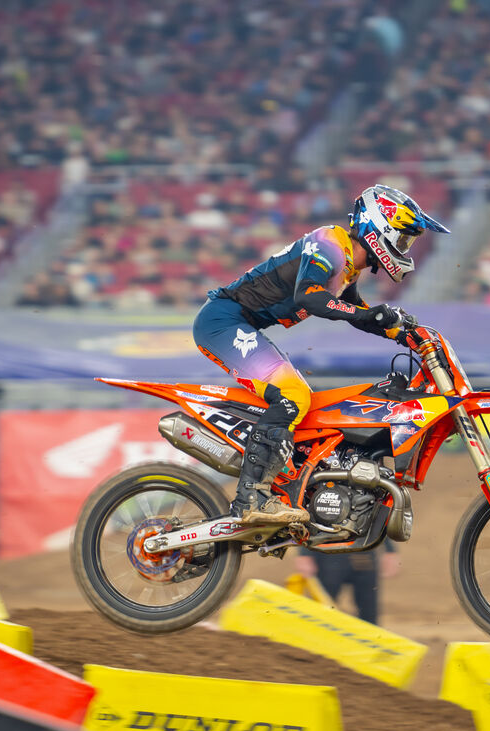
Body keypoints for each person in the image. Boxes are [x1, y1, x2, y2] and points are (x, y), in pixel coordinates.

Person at [192, 184, 450, 525]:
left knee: (304, 400)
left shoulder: (348, 264)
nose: (404, 249)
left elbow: (357, 312)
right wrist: (370, 315)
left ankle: (292, 485)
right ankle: (250, 500)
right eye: (402, 239)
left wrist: (403, 333)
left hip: (238, 323)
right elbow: (310, 297)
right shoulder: (329, 243)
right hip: (222, 322)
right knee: (293, 396)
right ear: (380, 227)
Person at [294, 544, 401, 625]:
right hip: (329, 553)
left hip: (364, 553)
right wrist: (304, 552)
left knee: (369, 613)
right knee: (322, 610)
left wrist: (390, 550)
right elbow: (309, 521)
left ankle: (371, 645)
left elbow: (379, 520)